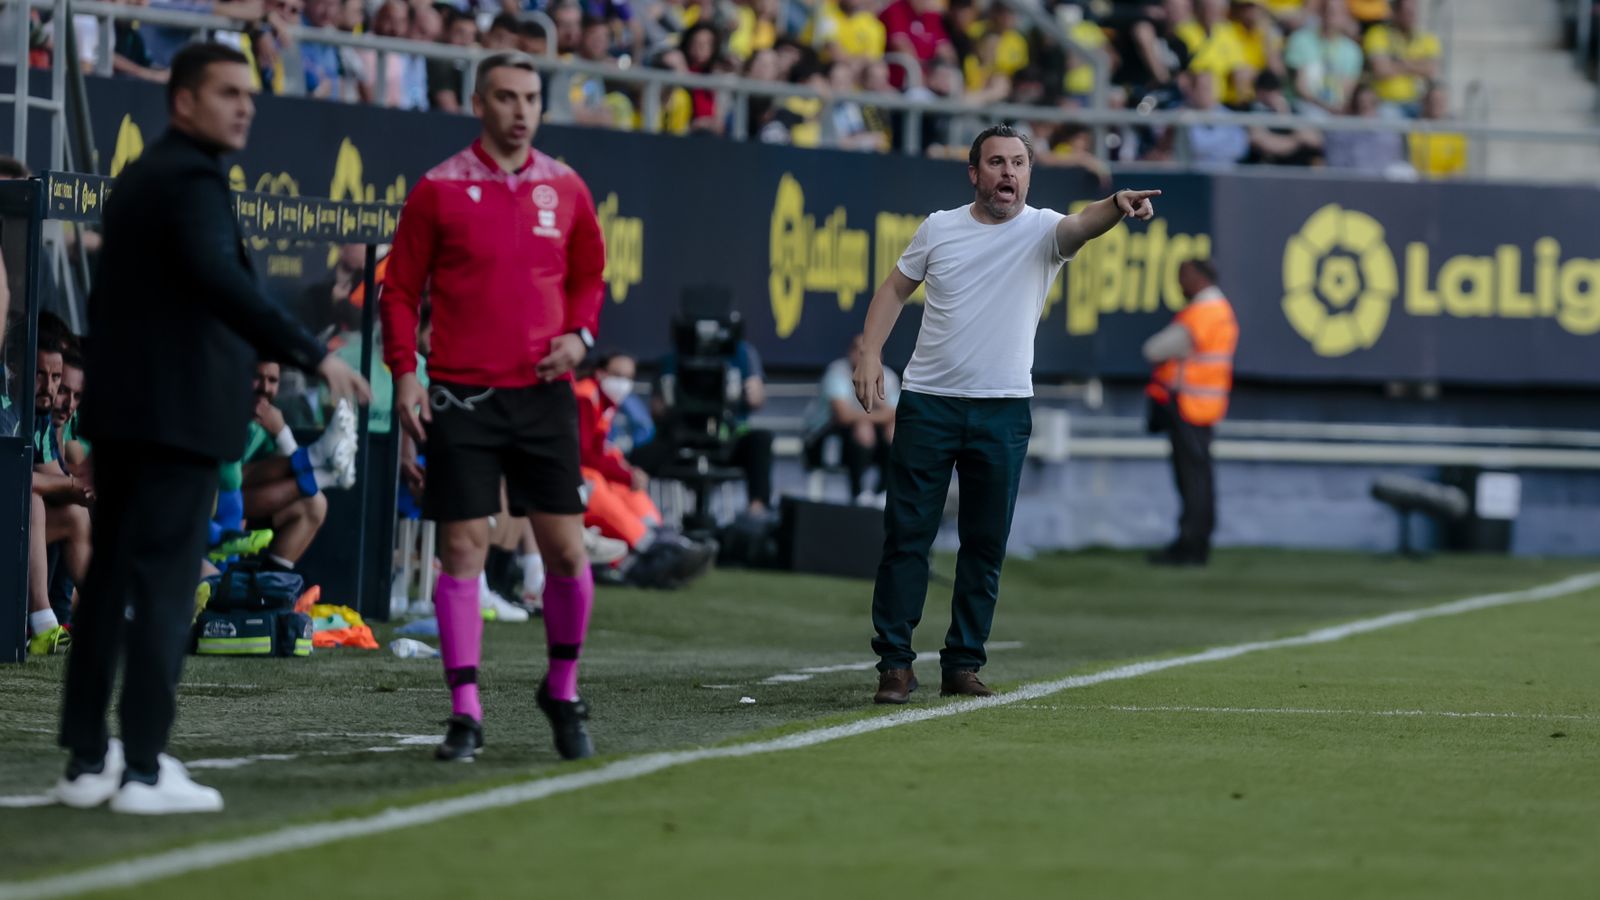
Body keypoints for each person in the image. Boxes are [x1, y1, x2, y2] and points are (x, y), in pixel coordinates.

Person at [52, 43, 370, 816]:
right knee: (163, 588)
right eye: (226, 92)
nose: (243, 107)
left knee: (109, 594)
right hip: (174, 425)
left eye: (249, 96)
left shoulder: (146, 179)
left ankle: (91, 759)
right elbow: (224, 287)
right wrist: (310, 356)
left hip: (131, 421)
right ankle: (147, 768)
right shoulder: (189, 181)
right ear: (182, 101)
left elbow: (153, 303)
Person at [854, 123, 1160, 704]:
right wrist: (869, 352)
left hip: (1003, 410)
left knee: (985, 544)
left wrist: (1117, 206)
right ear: (974, 173)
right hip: (929, 404)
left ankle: (962, 664)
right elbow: (894, 289)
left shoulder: (1044, 230)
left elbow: (1082, 224)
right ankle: (894, 664)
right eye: (996, 163)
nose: (1008, 174)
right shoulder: (938, 229)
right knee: (906, 538)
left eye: (1018, 163)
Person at [381, 51, 606, 763]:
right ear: (478, 102)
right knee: (461, 548)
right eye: (506, 97)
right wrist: (403, 374)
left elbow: (590, 274)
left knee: (567, 552)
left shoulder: (566, 187)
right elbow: (397, 290)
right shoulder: (437, 189)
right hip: (459, 395)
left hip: (543, 398)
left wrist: (580, 334)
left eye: (532, 98)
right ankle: (465, 710)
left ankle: (562, 689)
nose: (520, 111)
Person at [1143, 259, 1237, 567]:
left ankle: (1190, 547)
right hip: (1205, 407)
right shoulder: (1221, 311)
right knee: (1201, 480)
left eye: (1182, 277)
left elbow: (1155, 349)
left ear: (1198, 278)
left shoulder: (1203, 313)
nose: (1179, 284)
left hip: (1188, 407)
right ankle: (1195, 544)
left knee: (1192, 482)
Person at [805, 334, 900, 505]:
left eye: (871, 352)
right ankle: (858, 493)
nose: (864, 357)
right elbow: (843, 415)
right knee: (863, 428)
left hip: (872, 441)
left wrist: (877, 400)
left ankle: (882, 491)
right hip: (827, 437)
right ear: (850, 352)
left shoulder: (889, 377)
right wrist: (877, 415)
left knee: (892, 431)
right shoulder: (837, 372)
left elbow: (895, 415)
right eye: (860, 351)